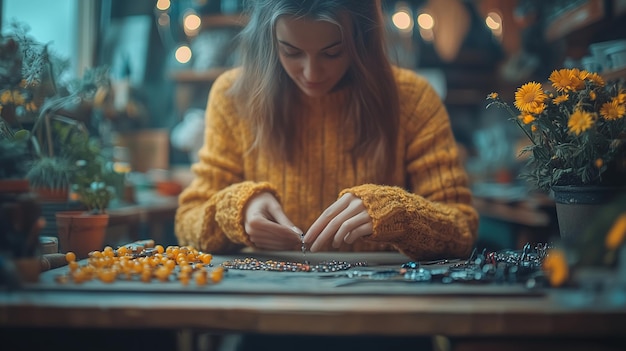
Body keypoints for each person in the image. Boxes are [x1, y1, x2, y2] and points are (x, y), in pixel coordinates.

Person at [175, 0, 478, 263]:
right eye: (291, 52)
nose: (311, 73)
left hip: (387, 310)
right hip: (267, 307)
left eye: (332, 52)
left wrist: (397, 213)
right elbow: (188, 222)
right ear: (269, 40)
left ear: (361, 40)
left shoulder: (412, 100)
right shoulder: (233, 97)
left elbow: (462, 231)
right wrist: (238, 211)